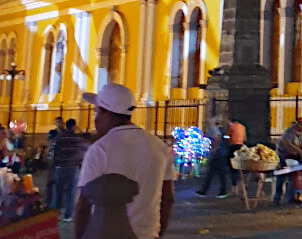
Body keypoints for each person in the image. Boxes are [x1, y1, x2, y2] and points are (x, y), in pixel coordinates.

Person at [74, 83, 175, 239]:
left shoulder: (100, 149)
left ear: (107, 113)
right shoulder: (158, 146)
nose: (95, 119)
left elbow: (83, 205)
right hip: (147, 234)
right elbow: (167, 198)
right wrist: (156, 233)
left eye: (97, 112)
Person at [274, 118, 302, 206]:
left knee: (294, 176)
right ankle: (277, 197)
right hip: (283, 155)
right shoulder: (290, 132)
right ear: (299, 125)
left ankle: (292, 197)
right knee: (281, 176)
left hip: (294, 157)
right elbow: (287, 144)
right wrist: (299, 151)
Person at [53, 119, 85, 222]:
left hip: (60, 167)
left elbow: (55, 152)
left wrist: (56, 164)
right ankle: (67, 215)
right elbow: (80, 153)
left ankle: (55, 214)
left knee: (58, 191)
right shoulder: (76, 138)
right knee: (71, 192)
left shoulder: (60, 137)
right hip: (72, 167)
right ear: (74, 126)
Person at [195, 118, 229, 198]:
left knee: (216, 174)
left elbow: (217, 137)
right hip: (220, 154)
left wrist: (214, 148)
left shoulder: (214, 129)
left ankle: (207, 191)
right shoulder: (221, 129)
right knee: (216, 173)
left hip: (218, 155)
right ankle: (206, 191)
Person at [227, 119, 245, 194]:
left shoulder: (232, 126)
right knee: (241, 167)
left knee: (232, 167)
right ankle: (242, 186)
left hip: (233, 147)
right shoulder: (243, 127)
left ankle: (234, 188)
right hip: (241, 146)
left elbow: (229, 137)